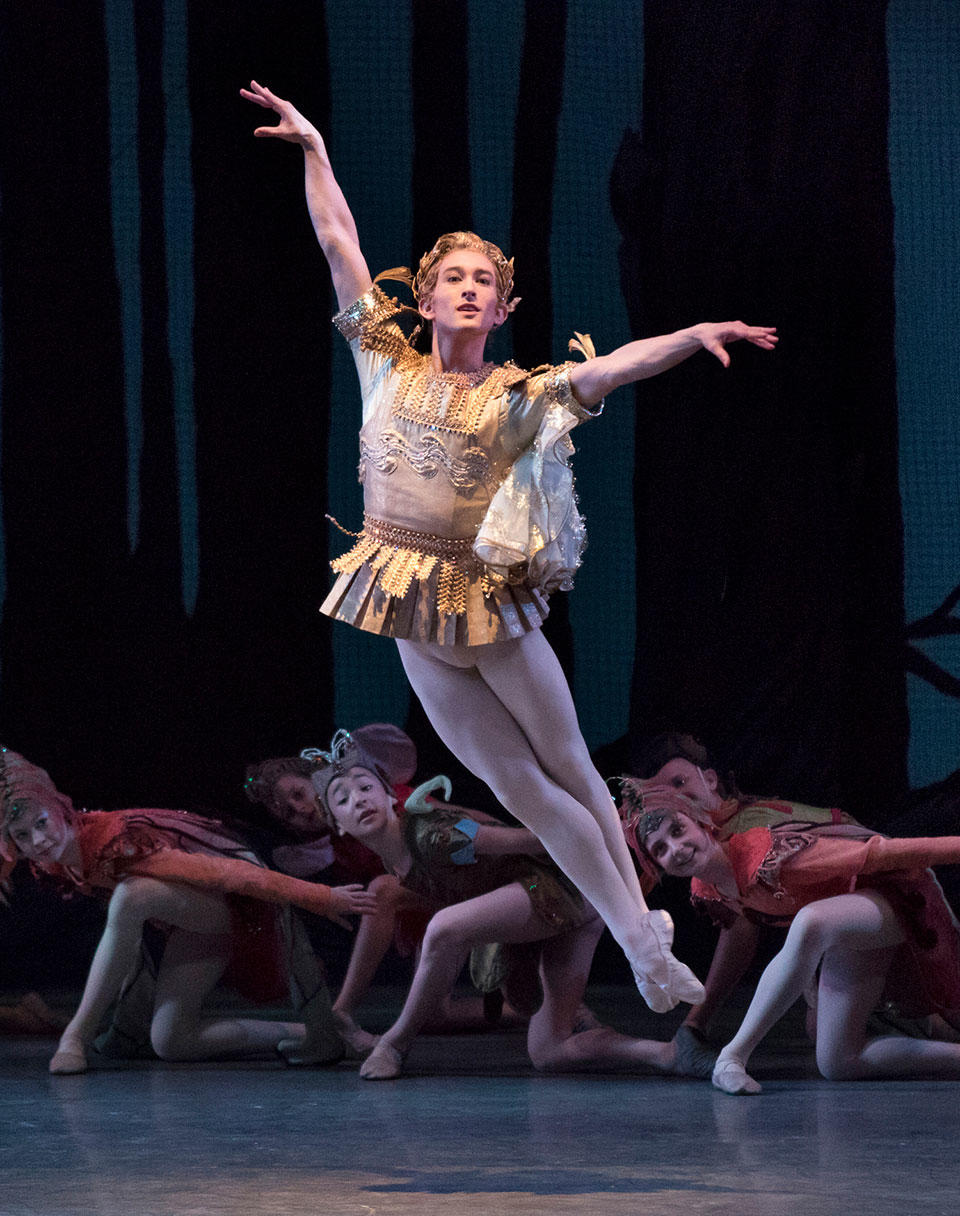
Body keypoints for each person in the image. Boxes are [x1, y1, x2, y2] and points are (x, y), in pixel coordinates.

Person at [241, 79, 777, 1013]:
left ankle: (643, 940)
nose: (465, 289)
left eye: (483, 282)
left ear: (499, 309)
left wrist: (690, 335)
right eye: (451, 276)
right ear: (428, 294)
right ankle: (643, 944)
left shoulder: (518, 394)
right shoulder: (384, 361)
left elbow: (608, 367)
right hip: (410, 608)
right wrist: (316, 148)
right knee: (523, 791)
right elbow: (338, 246)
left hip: (489, 607)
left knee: (569, 773)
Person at [310, 728, 698, 1081]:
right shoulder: (396, 859)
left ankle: (394, 1043)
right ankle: (666, 1053)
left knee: (445, 927)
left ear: (388, 794)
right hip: (568, 913)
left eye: (365, 787)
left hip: (564, 891)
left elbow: (529, 840)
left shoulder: (433, 836)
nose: (358, 800)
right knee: (548, 1051)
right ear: (338, 824)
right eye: (342, 799)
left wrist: (600, 830)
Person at [0, 747, 377, 1074]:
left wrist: (321, 897)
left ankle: (76, 1035)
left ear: (60, 808)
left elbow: (233, 873)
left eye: (41, 823)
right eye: (22, 835)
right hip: (193, 921)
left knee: (132, 895)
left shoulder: (118, 841)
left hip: (239, 904)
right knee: (171, 1041)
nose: (38, 840)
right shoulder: (50, 862)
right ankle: (311, 1033)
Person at [627, 781, 960, 1094]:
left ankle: (733, 1056)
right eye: (661, 849)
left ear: (702, 823)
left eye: (678, 830)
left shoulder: (772, 856)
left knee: (810, 921)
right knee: (838, 1061)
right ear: (659, 867)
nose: (677, 848)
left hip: (892, 902)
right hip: (848, 933)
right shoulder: (706, 889)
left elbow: (881, 853)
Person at [624, 734, 865, 1057]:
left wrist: (697, 1021)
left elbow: (742, 929)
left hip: (859, 896)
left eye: (679, 783)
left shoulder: (747, 830)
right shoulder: (710, 846)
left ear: (710, 780)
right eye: (661, 793)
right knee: (829, 1035)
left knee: (839, 1036)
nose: (673, 798)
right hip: (823, 928)